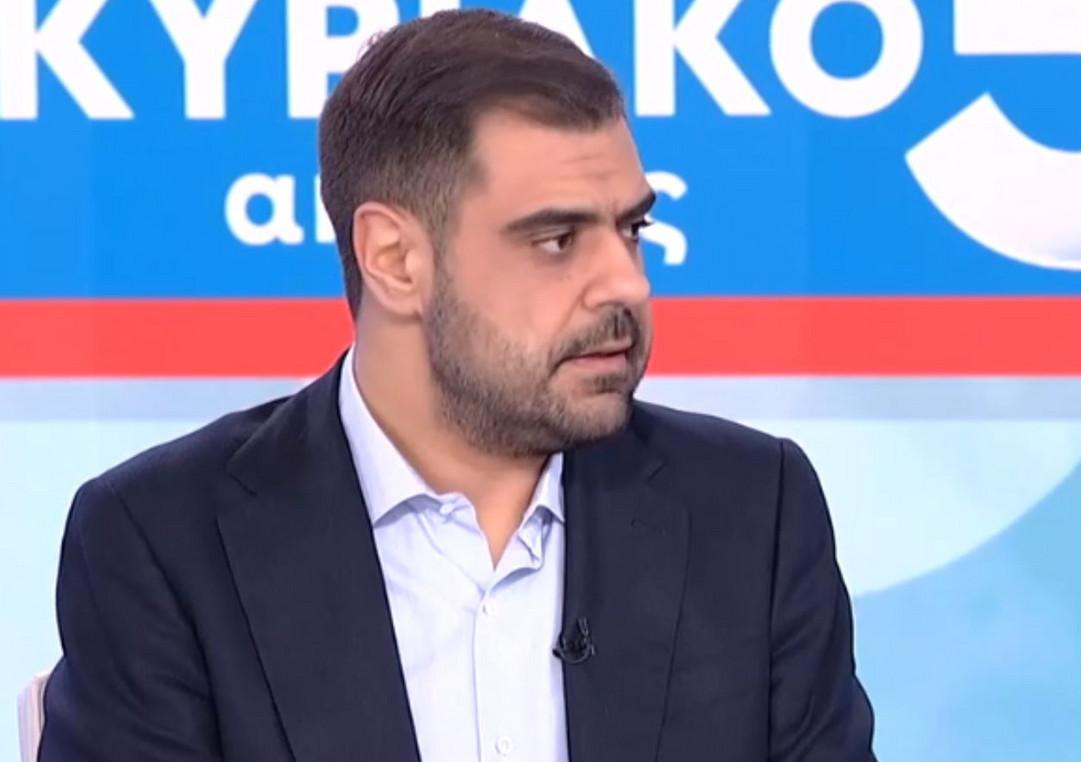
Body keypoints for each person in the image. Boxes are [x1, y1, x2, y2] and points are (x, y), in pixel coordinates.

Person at [38, 9, 875, 762]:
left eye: (632, 229)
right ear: (395, 259)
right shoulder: (161, 542)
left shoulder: (752, 511)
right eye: (557, 240)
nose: (627, 283)